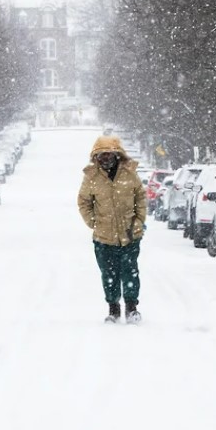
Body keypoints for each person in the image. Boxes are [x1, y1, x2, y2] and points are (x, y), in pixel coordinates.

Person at [77, 135, 146, 324]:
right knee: (109, 273)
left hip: (130, 234)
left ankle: (132, 308)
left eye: (108, 154)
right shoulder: (91, 177)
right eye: (101, 155)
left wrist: (138, 220)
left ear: (117, 155)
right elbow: (83, 202)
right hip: (103, 237)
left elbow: (140, 197)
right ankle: (113, 309)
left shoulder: (130, 173)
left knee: (130, 270)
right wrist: (94, 222)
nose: (105, 158)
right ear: (96, 157)